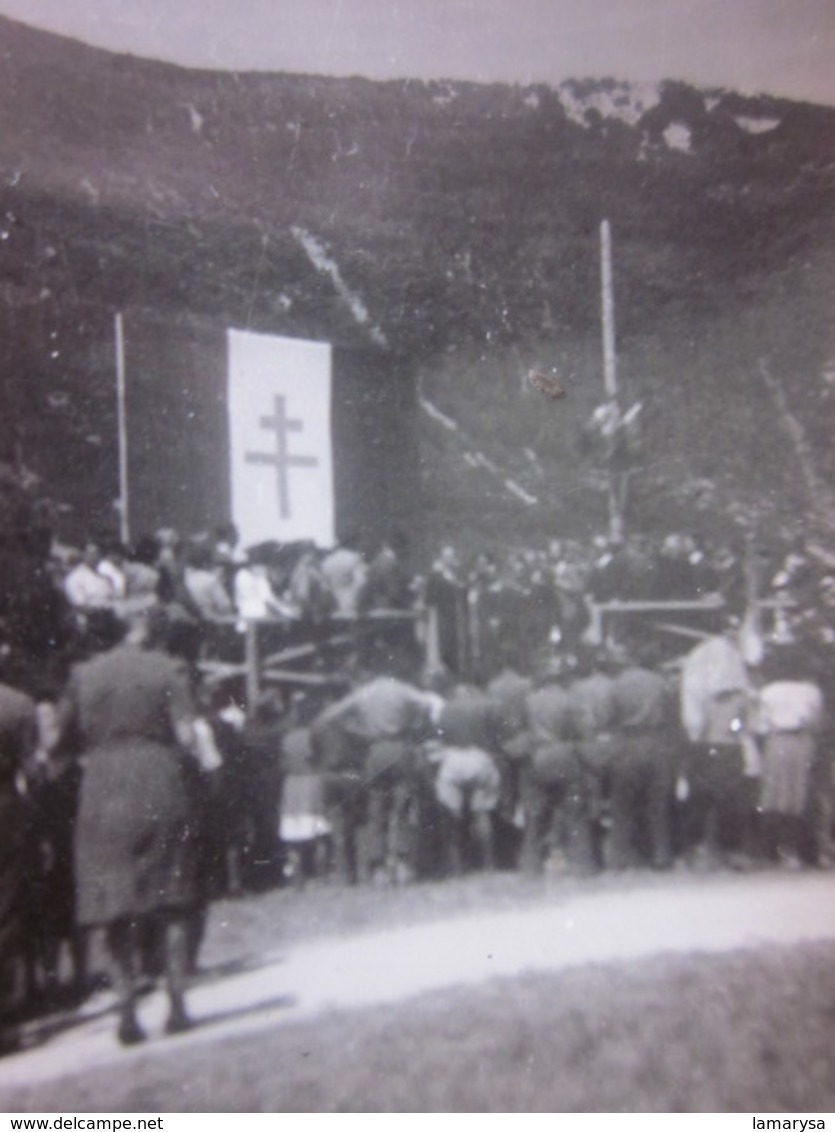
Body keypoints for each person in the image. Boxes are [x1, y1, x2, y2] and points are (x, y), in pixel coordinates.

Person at [56, 606, 202, 1045]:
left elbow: (60, 741)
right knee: (174, 898)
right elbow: (188, 735)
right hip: (160, 781)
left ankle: (126, 1012)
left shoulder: (82, 676)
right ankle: (176, 1005)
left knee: (113, 906)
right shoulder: (166, 669)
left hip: (103, 789)